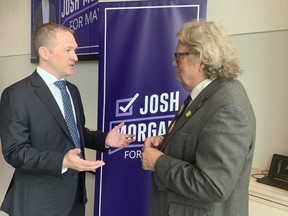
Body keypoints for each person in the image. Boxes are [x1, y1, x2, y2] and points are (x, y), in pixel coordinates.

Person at [0, 23, 135, 216]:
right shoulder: (16, 94)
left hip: (75, 199)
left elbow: (74, 132)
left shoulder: (72, 91)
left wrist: (104, 139)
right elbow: (15, 152)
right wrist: (62, 161)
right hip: (39, 203)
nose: (75, 57)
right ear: (44, 53)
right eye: (68, 50)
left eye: (75, 50)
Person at [141, 20, 256, 216]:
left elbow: (213, 184)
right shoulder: (211, 93)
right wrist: (165, 142)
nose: (173, 63)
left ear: (202, 60)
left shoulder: (227, 108)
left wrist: (159, 162)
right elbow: (200, 140)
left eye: (179, 56)